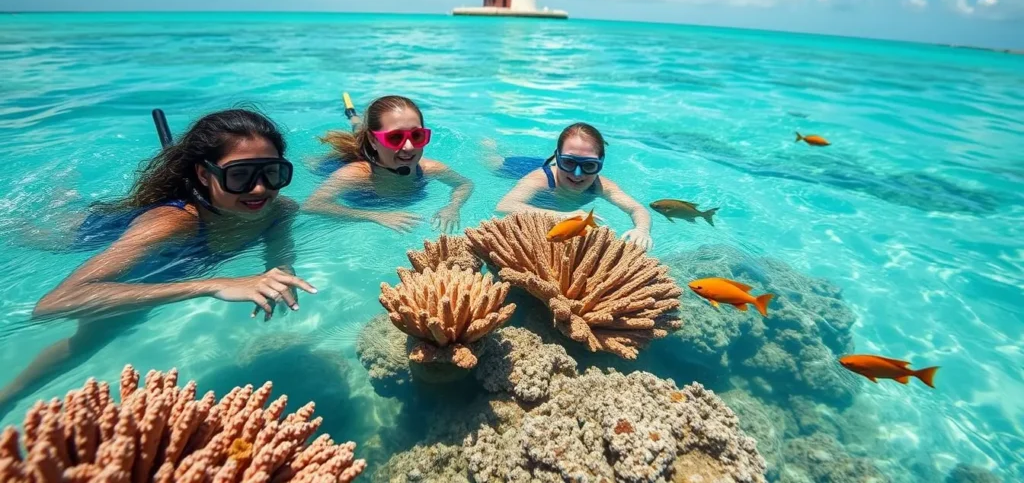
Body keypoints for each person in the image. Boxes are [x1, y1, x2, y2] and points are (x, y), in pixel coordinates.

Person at [0, 108, 316, 418]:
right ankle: (8, 398)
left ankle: (65, 195)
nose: (260, 188)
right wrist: (213, 285)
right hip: (85, 234)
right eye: (239, 175)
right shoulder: (171, 224)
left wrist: (282, 277)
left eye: (272, 172)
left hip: (166, 256)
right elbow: (53, 305)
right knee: (92, 332)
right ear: (204, 174)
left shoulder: (279, 211)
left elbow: (280, 258)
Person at [303, 95, 473, 234]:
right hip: (335, 165)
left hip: (374, 143)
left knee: (359, 130)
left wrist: (453, 207)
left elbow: (465, 184)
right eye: (395, 137)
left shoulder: (431, 168)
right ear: (373, 140)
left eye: (417, 135)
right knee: (313, 163)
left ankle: (357, 121)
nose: (409, 147)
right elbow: (312, 205)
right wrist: (376, 216)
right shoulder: (355, 175)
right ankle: (354, 119)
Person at [494, 122, 654, 250]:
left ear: (601, 163)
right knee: (493, 162)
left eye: (589, 165)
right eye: (569, 162)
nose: (577, 174)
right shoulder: (540, 179)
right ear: (557, 158)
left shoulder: (600, 185)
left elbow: (637, 209)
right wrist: (562, 215)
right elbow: (504, 206)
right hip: (519, 168)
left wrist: (642, 230)